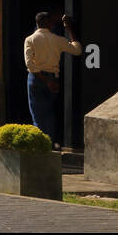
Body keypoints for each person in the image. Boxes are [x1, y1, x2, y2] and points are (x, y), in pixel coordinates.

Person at [23, 11, 82, 148]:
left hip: (36, 79)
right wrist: (69, 29)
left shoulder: (30, 39)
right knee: (49, 113)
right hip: (53, 79)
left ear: (37, 24)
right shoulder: (57, 39)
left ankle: (40, 147)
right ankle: (48, 144)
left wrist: (44, 80)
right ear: (50, 24)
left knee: (37, 115)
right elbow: (77, 50)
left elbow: (29, 64)